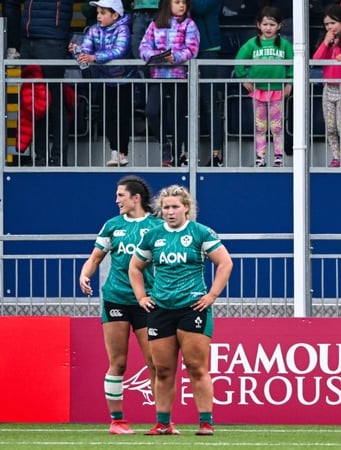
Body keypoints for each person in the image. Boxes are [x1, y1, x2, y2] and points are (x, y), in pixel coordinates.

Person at [128, 184, 233, 436]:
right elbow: (134, 267)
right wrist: (141, 297)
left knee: (196, 366)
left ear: (187, 208)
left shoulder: (200, 232)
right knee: (162, 370)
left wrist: (212, 295)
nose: (170, 212)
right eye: (166, 207)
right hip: (161, 308)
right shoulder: (152, 235)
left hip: (192, 307)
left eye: (175, 207)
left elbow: (225, 262)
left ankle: (206, 422)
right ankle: (163, 423)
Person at [78, 176, 164, 434]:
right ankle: (117, 420)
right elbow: (95, 257)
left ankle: (162, 421)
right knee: (118, 362)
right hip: (116, 299)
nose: (116, 200)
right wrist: (85, 274)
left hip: (147, 301)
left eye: (120, 196)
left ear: (135, 198)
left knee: (156, 364)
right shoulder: (112, 226)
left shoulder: (157, 226)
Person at [8, 0, 76, 167]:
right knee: (35, 102)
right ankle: (41, 157)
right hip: (29, 40)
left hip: (52, 39)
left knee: (54, 102)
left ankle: (58, 157)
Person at [70, 0, 134, 167]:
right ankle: (114, 152)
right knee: (106, 116)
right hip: (106, 80)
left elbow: (119, 51)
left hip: (125, 79)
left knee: (122, 116)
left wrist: (94, 57)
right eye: (98, 12)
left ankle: (123, 152)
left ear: (115, 15)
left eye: (103, 13)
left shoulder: (123, 29)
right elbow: (86, 50)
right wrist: (77, 51)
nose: (98, 16)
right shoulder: (94, 30)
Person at [139, 0, 200, 167]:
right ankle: (164, 144)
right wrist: (154, 55)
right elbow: (143, 46)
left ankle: (174, 156)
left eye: (184, 3)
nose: (182, 6)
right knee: (151, 111)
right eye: (177, 2)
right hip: (158, 74)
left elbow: (192, 49)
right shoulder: (156, 23)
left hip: (179, 75)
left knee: (177, 117)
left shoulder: (189, 24)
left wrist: (176, 57)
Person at [234, 6, 293, 168]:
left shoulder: (285, 45)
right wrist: (243, 78)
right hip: (258, 90)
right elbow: (239, 59)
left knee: (277, 126)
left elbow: (293, 64)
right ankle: (260, 157)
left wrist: (290, 82)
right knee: (260, 126)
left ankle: (278, 157)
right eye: (265, 24)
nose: (268, 28)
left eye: (272, 24)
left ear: (279, 26)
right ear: (259, 25)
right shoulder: (252, 44)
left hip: (277, 91)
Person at [312, 4, 341, 168]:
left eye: (333, 23)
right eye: (327, 24)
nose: (330, 27)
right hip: (328, 88)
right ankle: (335, 157)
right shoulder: (326, 40)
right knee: (330, 126)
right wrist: (325, 42)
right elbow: (316, 60)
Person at [191, 0, 227, 167]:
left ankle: (216, 154)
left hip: (207, 49)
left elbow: (200, 7)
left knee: (209, 103)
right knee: (186, 105)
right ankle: (186, 154)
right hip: (184, 51)